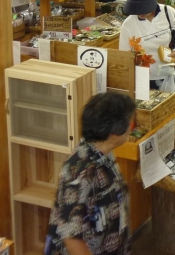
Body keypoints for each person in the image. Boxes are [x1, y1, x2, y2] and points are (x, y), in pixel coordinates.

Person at [46, 92, 136, 255]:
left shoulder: (105, 154)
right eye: (131, 124)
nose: (132, 128)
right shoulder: (79, 173)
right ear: (114, 132)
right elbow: (71, 236)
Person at [118, 0, 175, 86]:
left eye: (143, 8)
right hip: (143, 78)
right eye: (136, 8)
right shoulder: (128, 24)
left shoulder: (168, 12)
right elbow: (124, 56)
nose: (140, 12)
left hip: (168, 73)